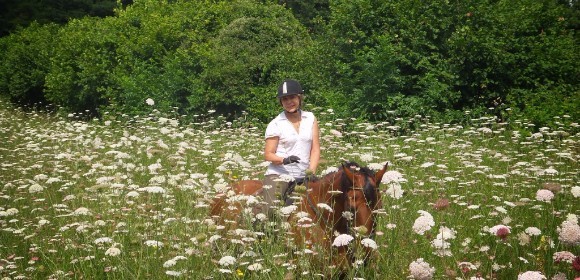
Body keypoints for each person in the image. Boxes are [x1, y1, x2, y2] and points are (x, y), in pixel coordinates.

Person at [259, 79, 320, 219]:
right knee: (269, 210)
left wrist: (312, 171)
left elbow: (315, 149)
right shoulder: (275, 124)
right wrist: (284, 160)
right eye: (284, 99)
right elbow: (268, 155)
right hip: (280, 174)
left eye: (292, 97)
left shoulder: (310, 118)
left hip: (305, 174)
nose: (289, 102)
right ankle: (261, 235)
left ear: (299, 97)